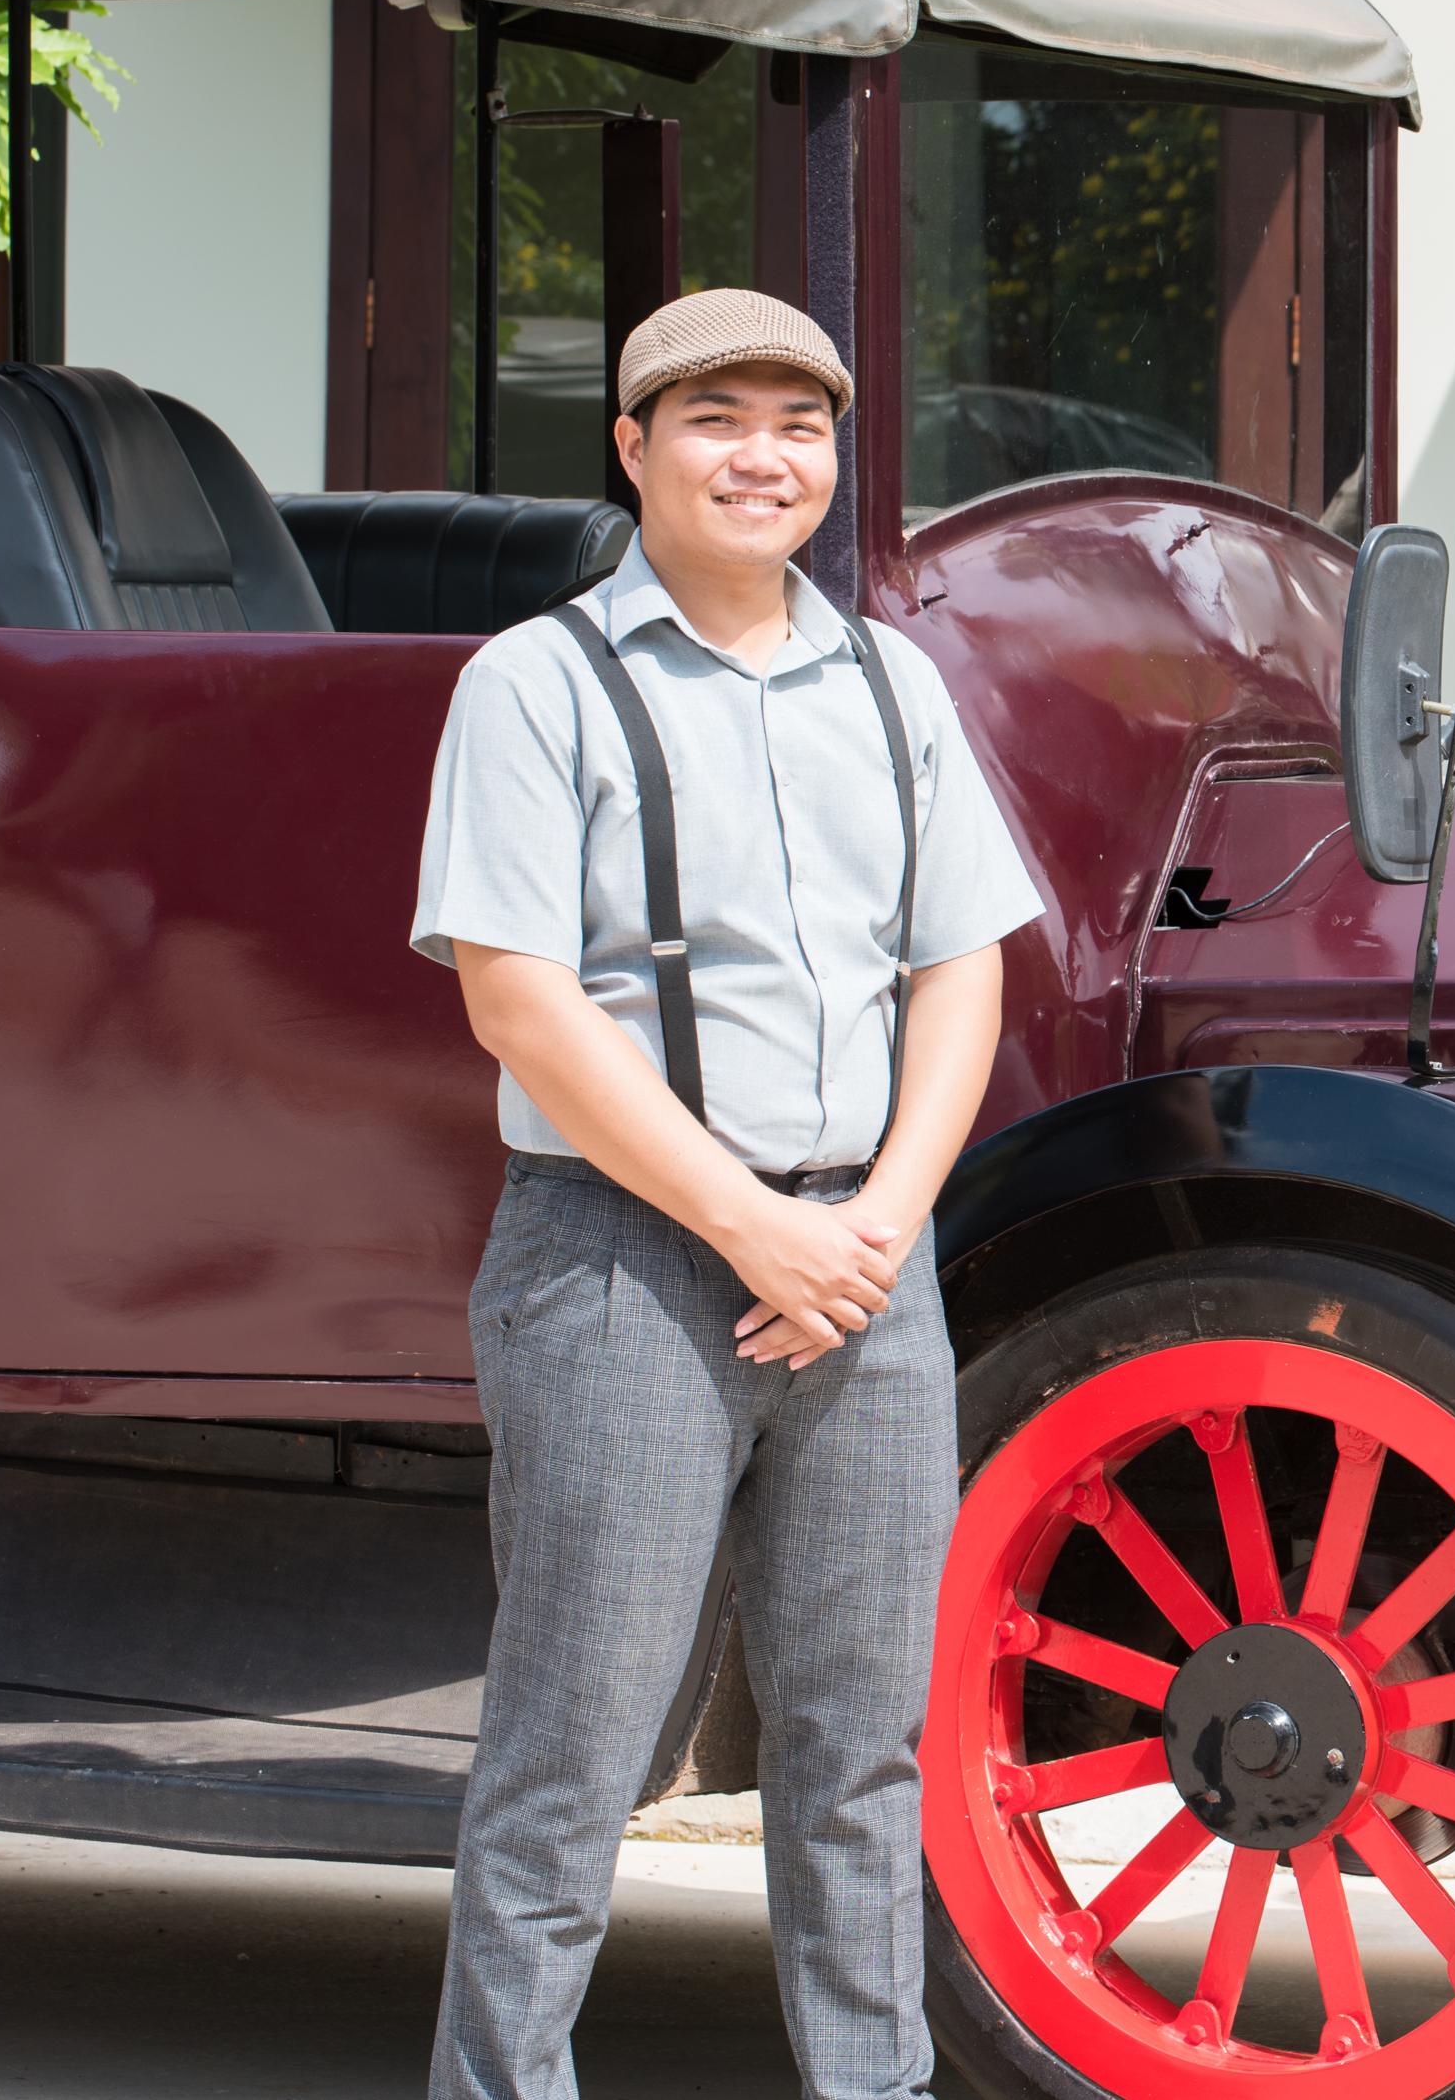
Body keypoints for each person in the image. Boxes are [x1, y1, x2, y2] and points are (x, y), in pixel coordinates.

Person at [411, 287, 1037, 2100]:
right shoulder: (534, 683)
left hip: (868, 1258)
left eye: (799, 422)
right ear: (630, 445)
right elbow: (514, 991)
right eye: (714, 418)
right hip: (624, 1263)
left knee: (860, 1747)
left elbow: (960, 970)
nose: (763, 455)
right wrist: (750, 1222)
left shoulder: (893, 681)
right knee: (576, 1746)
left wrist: (880, 1221)